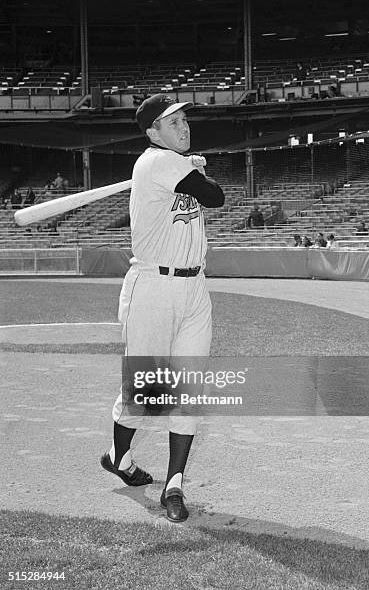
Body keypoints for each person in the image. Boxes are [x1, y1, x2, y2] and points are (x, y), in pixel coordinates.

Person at [100, 94, 225, 523]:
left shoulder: (172, 164)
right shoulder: (156, 162)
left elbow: (202, 192)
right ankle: (118, 455)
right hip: (154, 285)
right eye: (173, 123)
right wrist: (197, 171)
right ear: (153, 132)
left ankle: (173, 485)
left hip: (194, 286)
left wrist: (192, 169)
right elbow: (215, 197)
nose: (184, 127)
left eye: (185, 119)